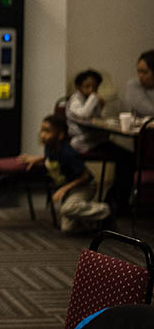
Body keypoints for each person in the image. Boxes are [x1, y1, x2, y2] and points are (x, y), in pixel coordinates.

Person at [19, 114, 110, 233]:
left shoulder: (68, 153)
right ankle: (93, 223)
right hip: (71, 189)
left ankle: (105, 210)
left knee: (67, 209)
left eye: (47, 131)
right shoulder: (50, 147)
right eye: (42, 131)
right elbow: (51, 158)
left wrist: (64, 189)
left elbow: (86, 176)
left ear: (60, 135)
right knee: (67, 228)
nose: (43, 135)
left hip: (83, 187)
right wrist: (37, 159)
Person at [65, 69, 133, 215]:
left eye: (95, 87)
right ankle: (115, 201)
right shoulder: (76, 100)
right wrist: (94, 98)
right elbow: (83, 114)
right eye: (87, 86)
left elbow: (97, 118)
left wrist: (99, 106)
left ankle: (117, 199)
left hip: (96, 140)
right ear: (79, 87)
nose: (91, 90)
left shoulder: (90, 99)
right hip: (83, 143)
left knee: (128, 157)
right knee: (126, 158)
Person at [125, 49, 154, 117]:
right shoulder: (133, 85)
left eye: (144, 72)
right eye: (138, 71)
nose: (140, 76)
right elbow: (150, 111)